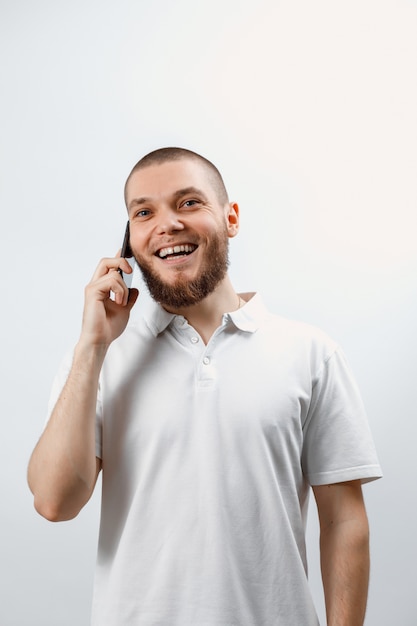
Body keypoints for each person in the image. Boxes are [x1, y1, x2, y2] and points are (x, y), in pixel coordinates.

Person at [28, 147, 382, 626]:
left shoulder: (311, 353)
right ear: (130, 240)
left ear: (230, 217)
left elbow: (343, 522)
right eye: (144, 212)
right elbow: (54, 501)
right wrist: (92, 346)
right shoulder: (97, 359)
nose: (166, 224)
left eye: (189, 202)